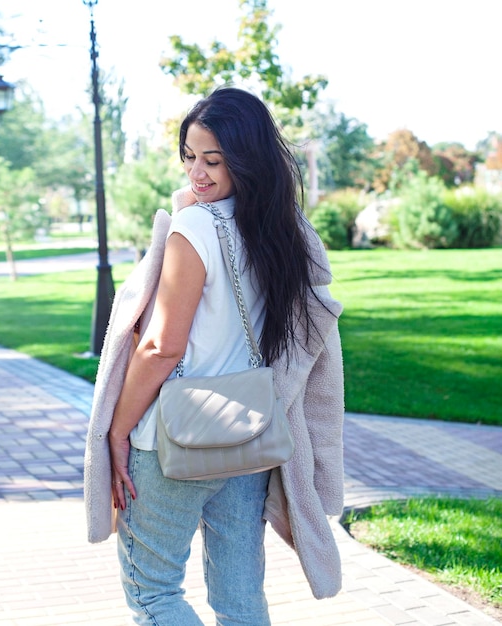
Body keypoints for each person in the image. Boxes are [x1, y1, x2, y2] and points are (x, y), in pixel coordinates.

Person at [83, 86, 344, 625]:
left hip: (172, 438)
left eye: (213, 160)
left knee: (153, 593)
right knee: (241, 599)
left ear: (245, 160)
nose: (196, 174)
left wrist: (114, 432)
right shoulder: (282, 232)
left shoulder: (195, 227)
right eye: (189, 156)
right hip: (249, 434)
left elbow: (160, 347)